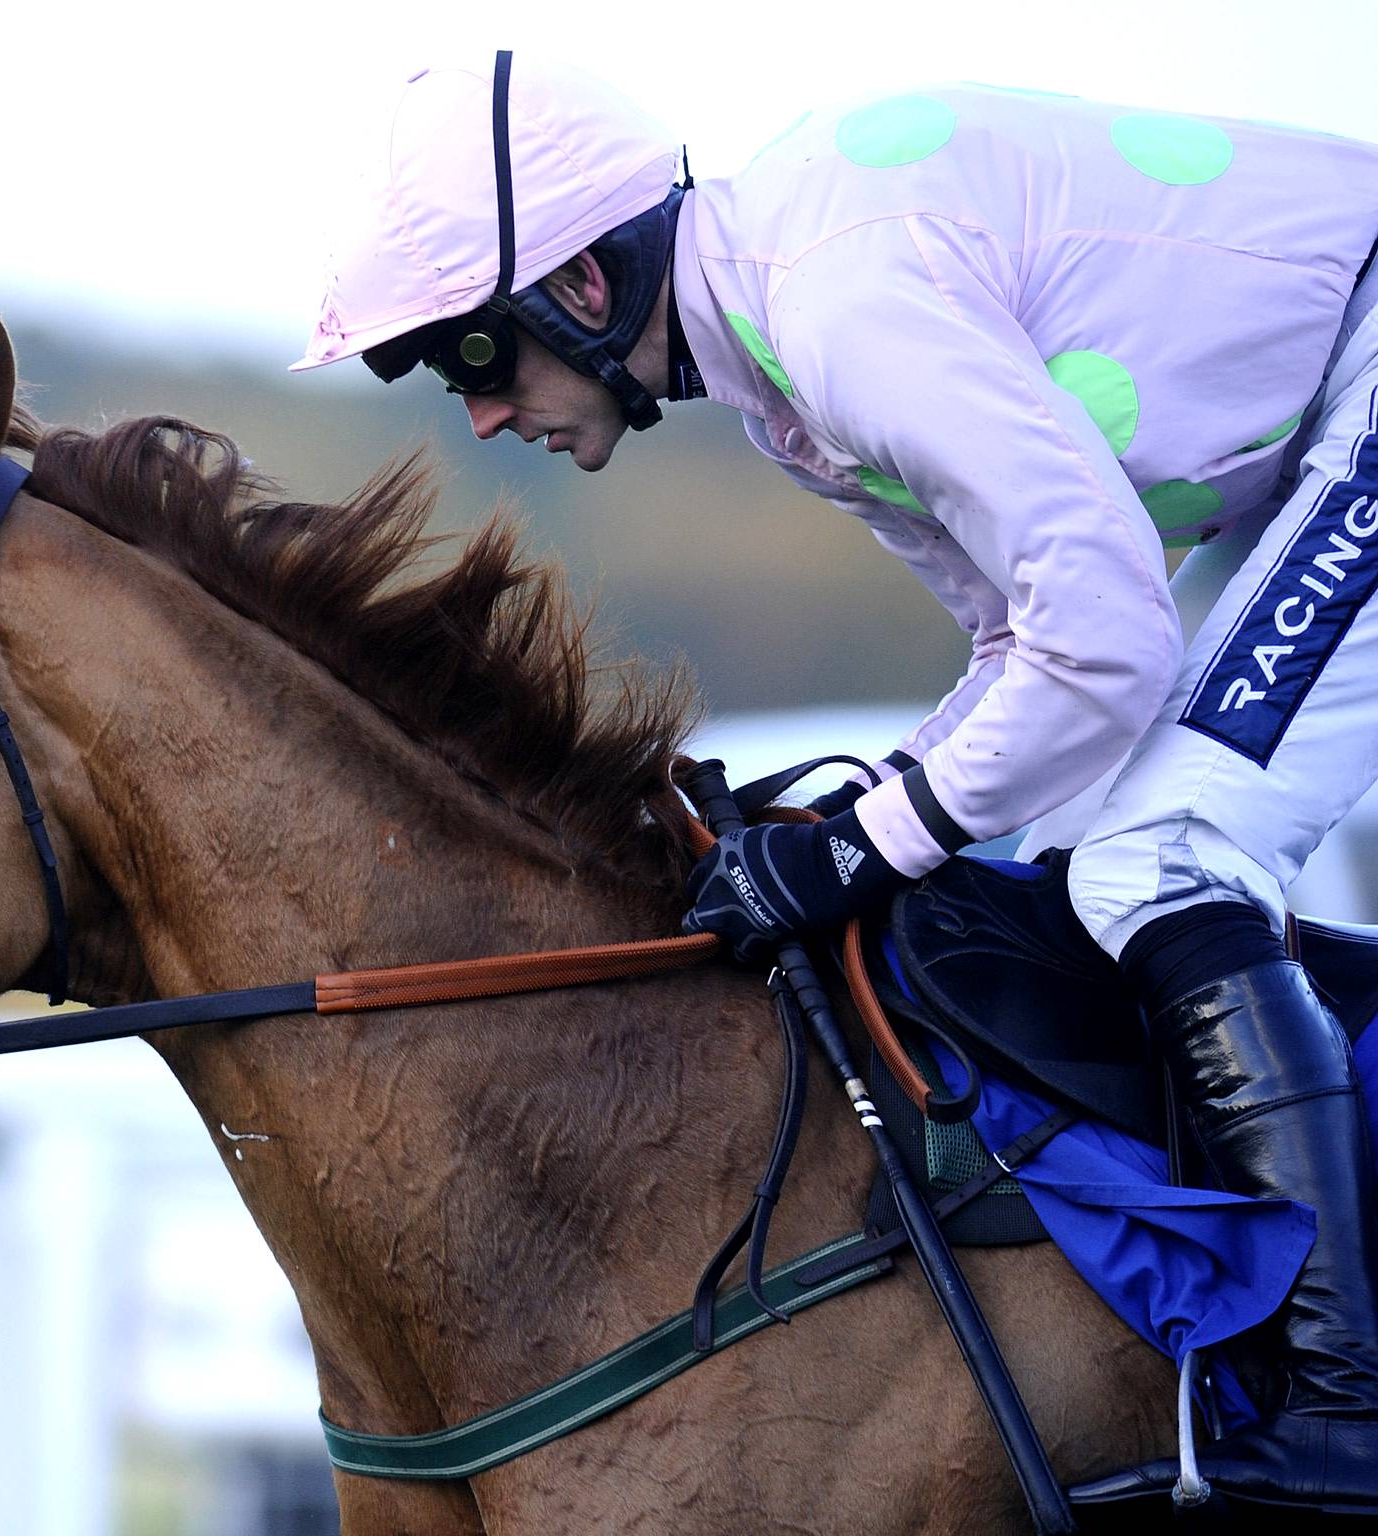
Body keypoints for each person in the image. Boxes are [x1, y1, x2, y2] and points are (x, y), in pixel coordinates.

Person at [292, 52, 1378, 1517]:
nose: (483, 415)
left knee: (1158, 863)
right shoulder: (780, 373)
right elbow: (1021, 642)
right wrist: (853, 822)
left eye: (478, 358)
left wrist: (869, 845)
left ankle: (1341, 1410)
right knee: (1076, 857)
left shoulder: (838, 313)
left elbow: (1108, 637)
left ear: (589, 292)